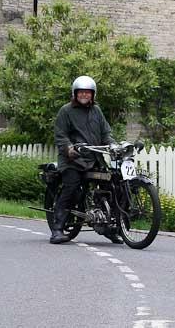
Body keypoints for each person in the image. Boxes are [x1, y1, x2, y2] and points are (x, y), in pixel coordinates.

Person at [50, 76, 118, 245]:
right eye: (81, 92)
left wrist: (113, 145)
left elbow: (106, 133)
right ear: (75, 93)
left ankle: (110, 227)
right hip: (73, 160)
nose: (84, 95)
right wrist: (69, 148)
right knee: (71, 187)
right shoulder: (65, 111)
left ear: (93, 94)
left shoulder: (97, 111)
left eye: (88, 92)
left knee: (110, 187)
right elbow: (61, 135)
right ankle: (57, 229)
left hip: (94, 158)